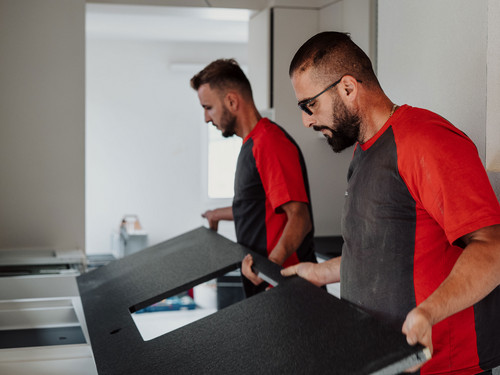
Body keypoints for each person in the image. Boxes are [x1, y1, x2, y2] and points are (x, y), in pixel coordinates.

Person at [282, 31, 500, 374]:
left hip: (441, 365)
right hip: (382, 359)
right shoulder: (363, 151)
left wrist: (428, 312)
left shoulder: (426, 141)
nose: (307, 120)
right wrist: (320, 273)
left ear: (348, 88)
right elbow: (386, 250)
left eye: (309, 105)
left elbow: (492, 249)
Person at [190, 58, 317, 297]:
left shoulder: (268, 142)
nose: (206, 118)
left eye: (208, 107)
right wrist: (216, 214)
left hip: (288, 291)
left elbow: (299, 218)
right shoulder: (252, 144)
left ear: (231, 101)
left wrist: (268, 267)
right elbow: (257, 207)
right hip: (268, 286)